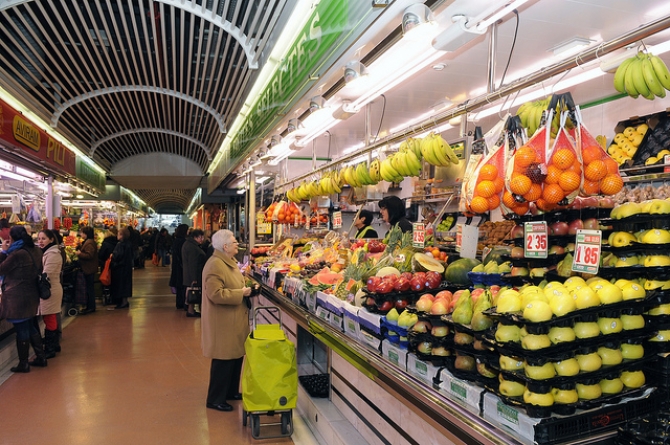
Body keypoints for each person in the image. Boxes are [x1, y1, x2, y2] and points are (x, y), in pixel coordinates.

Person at [202, 229, 252, 412]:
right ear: (225, 246)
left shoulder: (227, 262)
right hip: (222, 322)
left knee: (235, 357)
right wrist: (242, 293)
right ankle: (215, 399)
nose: (237, 244)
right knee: (223, 361)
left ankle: (231, 392)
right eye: (234, 242)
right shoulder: (215, 265)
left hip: (232, 320)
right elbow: (215, 294)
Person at [0, 225, 46, 372]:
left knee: (22, 329)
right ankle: (41, 356)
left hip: (17, 297)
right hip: (32, 294)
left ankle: (23, 363)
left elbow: (1, 269)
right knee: (31, 325)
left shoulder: (17, 254)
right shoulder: (36, 250)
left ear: (12, 238)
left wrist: (3, 251)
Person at [36, 229, 63, 357]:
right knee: (49, 317)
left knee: (50, 317)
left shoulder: (53, 254)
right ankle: (54, 345)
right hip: (49, 289)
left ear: (51, 239)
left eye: (43, 238)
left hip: (50, 290)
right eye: (39, 239)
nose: (40, 241)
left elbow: (47, 274)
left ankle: (50, 348)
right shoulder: (48, 252)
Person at [182, 229, 206, 317]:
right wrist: (194, 278)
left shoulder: (189, 244)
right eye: (201, 237)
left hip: (189, 274)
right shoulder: (192, 247)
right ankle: (191, 310)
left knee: (191, 292)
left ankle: (191, 310)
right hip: (193, 275)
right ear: (195, 237)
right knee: (193, 292)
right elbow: (193, 264)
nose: (202, 239)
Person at [109, 227, 133, 309]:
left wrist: (112, 256)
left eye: (119, 234)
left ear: (122, 235)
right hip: (127, 268)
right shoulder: (129, 244)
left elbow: (117, 256)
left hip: (120, 268)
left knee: (120, 285)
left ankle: (122, 303)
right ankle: (125, 301)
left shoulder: (120, 245)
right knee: (125, 285)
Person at [76, 226, 99, 314]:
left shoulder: (89, 243)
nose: (80, 234)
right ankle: (90, 306)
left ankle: (91, 307)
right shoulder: (88, 242)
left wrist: (79, 254)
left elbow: (89, 255)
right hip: (88, 268)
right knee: (89, 288)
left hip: (88, 268)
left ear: (86, 234)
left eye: (82, 232)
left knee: (89, 288)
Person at [169, 224, 189, 310]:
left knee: (179, 285)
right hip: (181, 267)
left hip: (177, 266)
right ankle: (183, 302)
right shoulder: (183, 242)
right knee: (182, 284)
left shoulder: (176, 240)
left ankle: (179, 302)